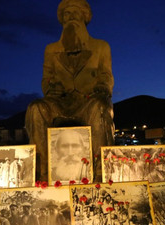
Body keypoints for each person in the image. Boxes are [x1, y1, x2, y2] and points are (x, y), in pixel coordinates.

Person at [25, 0, 115, 181]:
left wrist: (102, 88)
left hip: (88, 100)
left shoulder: (101, 46)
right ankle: (41, 174)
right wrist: (51, 89)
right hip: (61, 102)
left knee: (98, 107)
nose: (71, 17)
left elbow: (106, 76)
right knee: (36, 108)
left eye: (75, 13)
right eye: (67, 14)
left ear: (84, 16)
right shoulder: (51, 50)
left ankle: (99, 175)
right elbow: (46, 78)